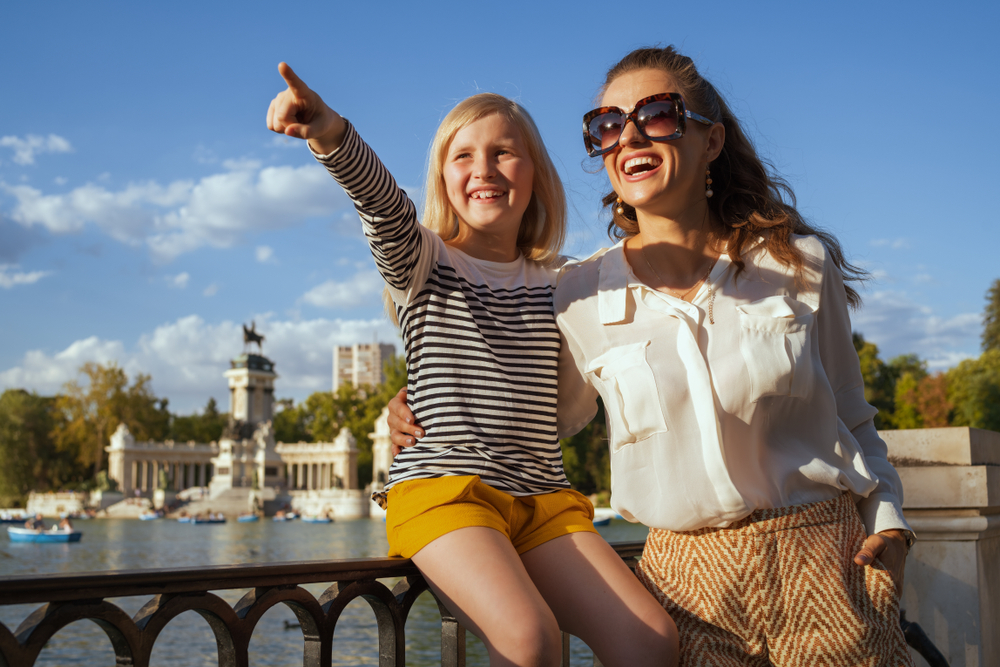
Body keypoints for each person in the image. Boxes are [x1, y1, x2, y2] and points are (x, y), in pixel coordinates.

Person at [389, 46, 915, 666]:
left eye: (659, 114)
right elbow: (532, 408)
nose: (630, 134)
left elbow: (853, 414)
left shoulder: (797, 264)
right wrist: (408, 405)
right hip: (684, 589)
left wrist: (890, 518)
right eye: (608, 125)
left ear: (711, 140)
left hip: (827, 569)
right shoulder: (577, 292)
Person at [266, 63, 678, 667]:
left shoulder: (570, 282)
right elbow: (380, 205)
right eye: (463, 156)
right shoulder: (424, 261)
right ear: (441, 178)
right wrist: (330, 131)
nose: (483, 169)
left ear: (534, 174)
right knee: (529, 640)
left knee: (651, 641)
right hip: (447, 491)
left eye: (504, 152)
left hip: (543, 497)